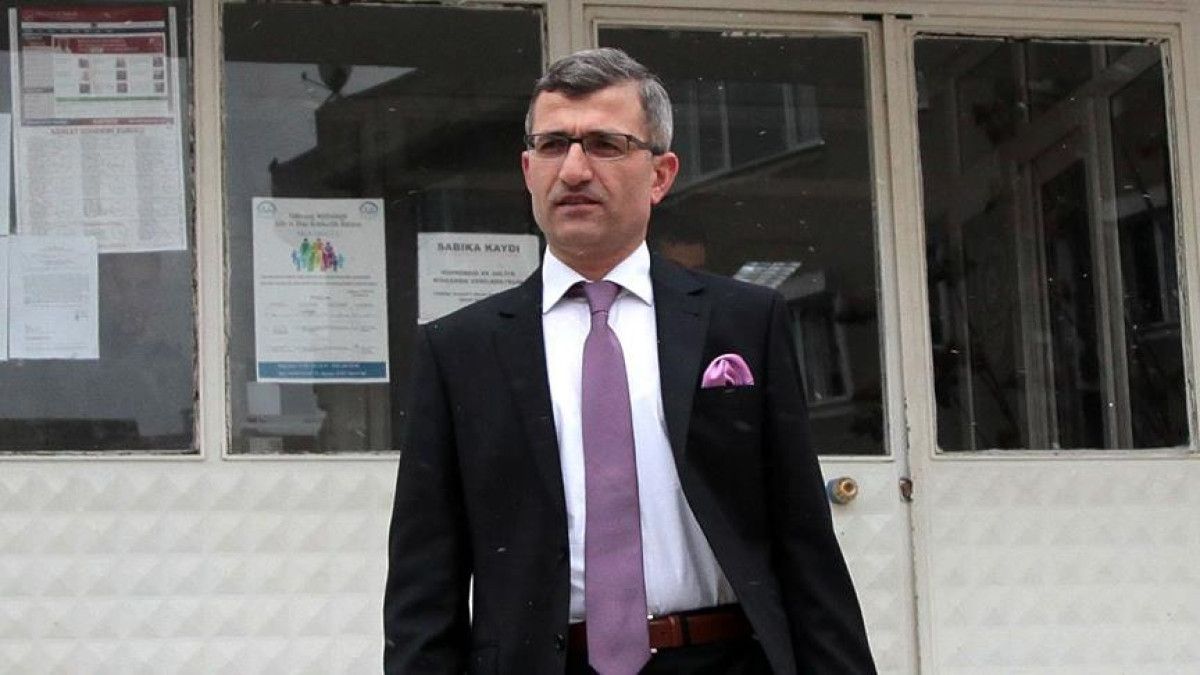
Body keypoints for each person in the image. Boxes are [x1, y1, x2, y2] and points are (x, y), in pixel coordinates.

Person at [384, 48, 876, 675]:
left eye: (605, 145)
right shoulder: (461, 350)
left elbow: (804, 541)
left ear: (661, 174)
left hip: (720, 660)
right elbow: (424, 583)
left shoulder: (744, 322)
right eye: (553, 145)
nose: (574, 170)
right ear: (528, 170)